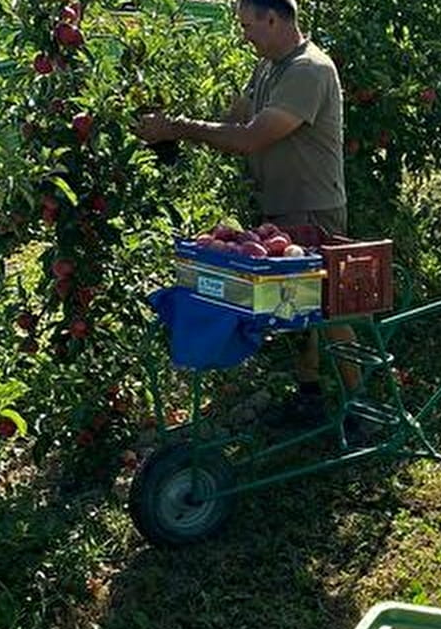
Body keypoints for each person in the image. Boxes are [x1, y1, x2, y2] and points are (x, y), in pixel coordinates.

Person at [134, 0, 353, 427]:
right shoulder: (269, 68)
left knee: (328, 309)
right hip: (279, 205)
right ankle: (311, 395)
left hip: (312, 206)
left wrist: (178, 127)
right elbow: (232, 123)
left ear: (273, 18)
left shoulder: (309, 70)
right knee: (296, 310)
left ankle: (358, 402)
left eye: (247, 24)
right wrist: (171, 131)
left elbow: (250, 139)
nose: (244, 34)